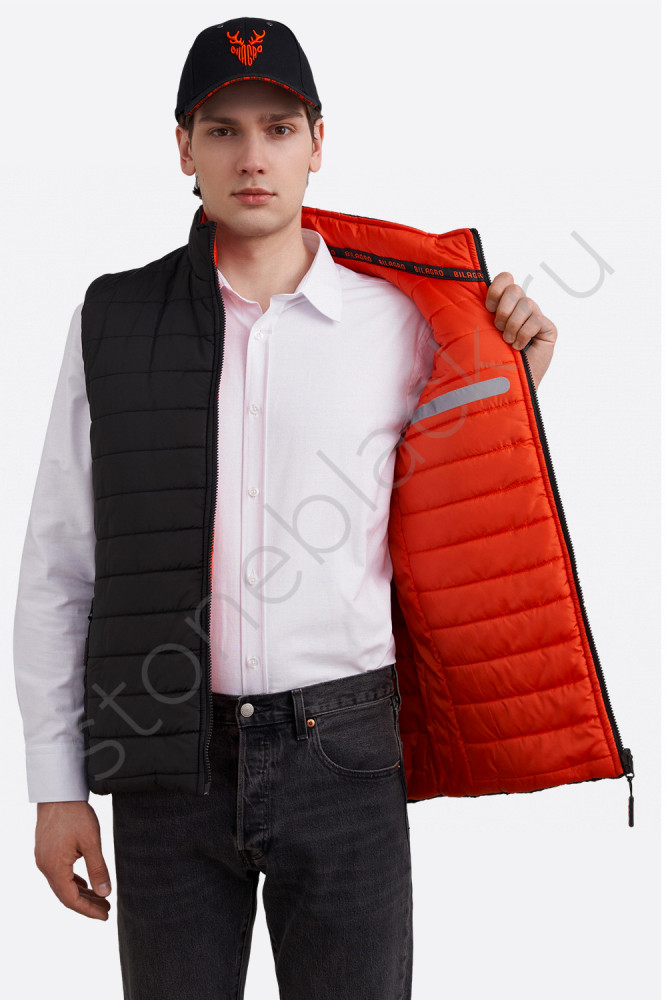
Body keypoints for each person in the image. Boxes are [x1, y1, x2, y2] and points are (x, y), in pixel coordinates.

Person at [13, 16, 557, 1000]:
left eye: (278, 127)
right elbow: (61, 567)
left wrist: (518, 375)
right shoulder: (113, 320)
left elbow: (461, 491)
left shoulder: (402, 324)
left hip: (344, 751)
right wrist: (57, 789)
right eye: (223, 130)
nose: (252, 156)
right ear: (184, 148)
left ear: (318, 143)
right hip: (166, 761)